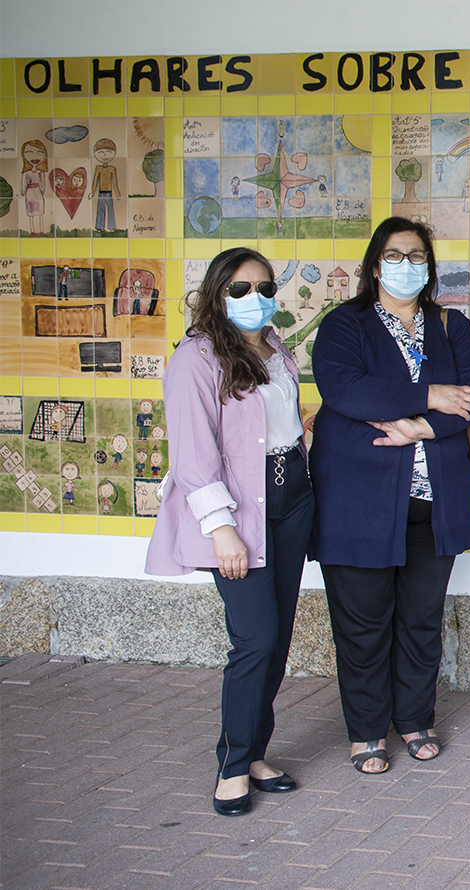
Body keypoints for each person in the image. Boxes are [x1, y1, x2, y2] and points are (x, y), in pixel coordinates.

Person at [310, 218, 470, 775]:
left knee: (420, 620)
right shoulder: (345, 325)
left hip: (435, 505)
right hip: (358, 501)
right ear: (374, 265)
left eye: (417, 256)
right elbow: (346, 388)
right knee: (363, 625)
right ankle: (367, 731)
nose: (407, 264)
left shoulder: (450, 324)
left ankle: (414, 719)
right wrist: (430, 393)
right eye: (395, 255)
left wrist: (424, 427)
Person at [146, 247, 311, 816]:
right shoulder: (195, 358)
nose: (254, 299)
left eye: (264, 288)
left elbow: (279, 425)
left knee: (277, 640)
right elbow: (194, 453)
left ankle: (252, 750)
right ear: (217, 294)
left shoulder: (272, 345)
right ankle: (233, 767)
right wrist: (221, 528)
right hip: (240, 511)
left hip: (291, 499)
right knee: (255, 639)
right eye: (240, 290)